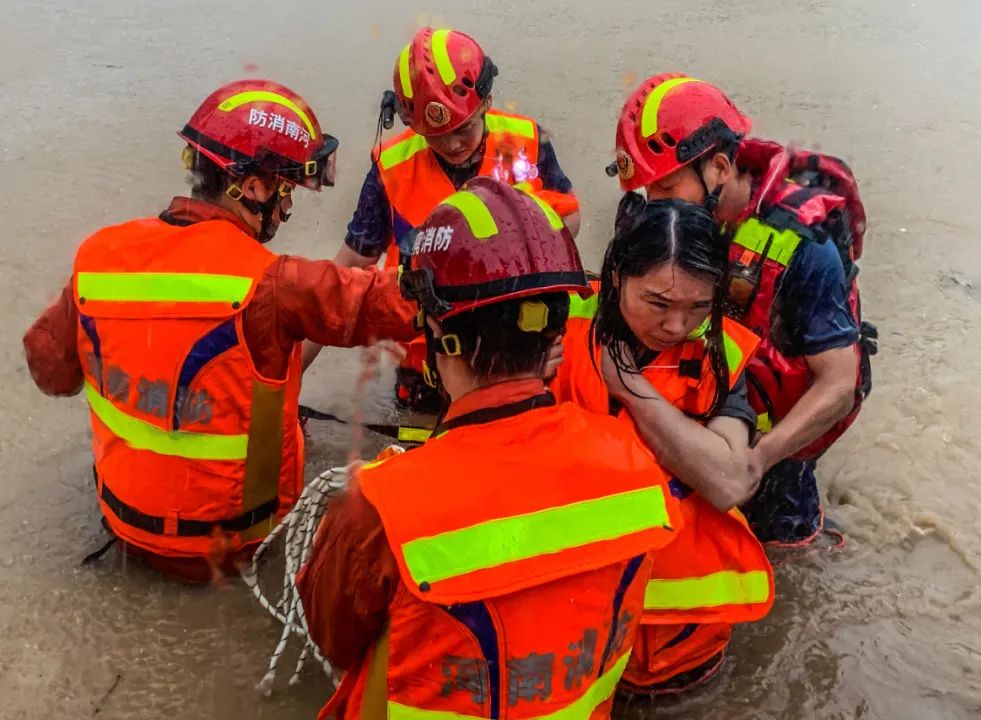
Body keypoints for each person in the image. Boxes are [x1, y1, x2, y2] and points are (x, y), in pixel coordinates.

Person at [298, 178, 682, 719]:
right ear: (555, 335)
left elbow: (333, 639)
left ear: (435, 329)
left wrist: (357, 508)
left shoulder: (383, 504)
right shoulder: (634, 461)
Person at [22, 80, 417, 583]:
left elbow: (49, 371)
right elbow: (386, 303)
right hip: (239, 547)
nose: (287, 207)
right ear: (252, 186)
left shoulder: (98, 258)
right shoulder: (275, 283)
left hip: (124, 528)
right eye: (287, 188)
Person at [609, 73, 875, 546]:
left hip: (774, 436)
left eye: (667, 189)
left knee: (784, 549)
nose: (656, 207)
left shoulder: (804, 248)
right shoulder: (681, 222)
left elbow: (838, 382)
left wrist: (761, 458)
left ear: (718, 168)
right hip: (714, 399)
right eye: (649, 192)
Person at [549, 197, 774, 694]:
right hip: (575, 637)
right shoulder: (553, 334)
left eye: (698, 306)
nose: (676, 327)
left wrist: (629, 384)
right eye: (658, 303)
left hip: (685, 645)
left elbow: (729, 480)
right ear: (616, 278)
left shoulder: (721, 354)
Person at [302, 27, 581, 414]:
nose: (452, 145)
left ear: (487, 100)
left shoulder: (527, 143)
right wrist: (291, 367)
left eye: (463, 129)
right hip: (426, 370)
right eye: (435, 135)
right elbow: (349, 267)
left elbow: (570, 222)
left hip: (517, 356)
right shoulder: (392, 167)